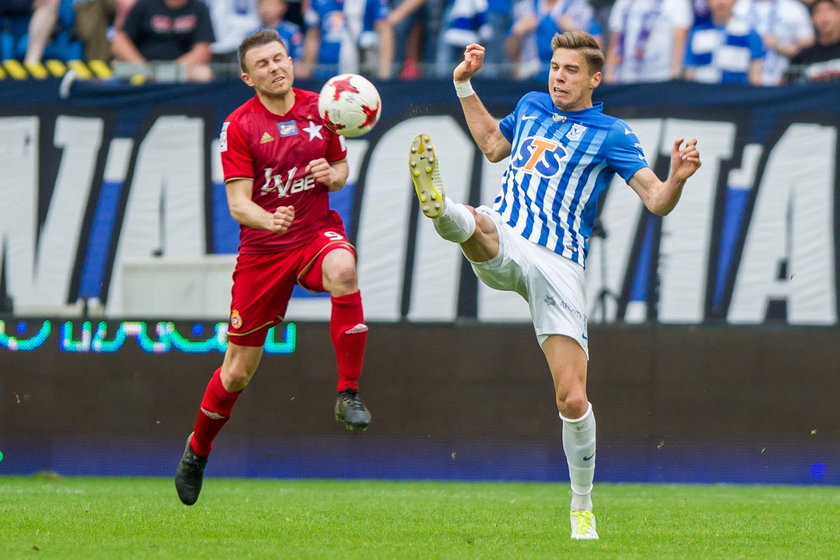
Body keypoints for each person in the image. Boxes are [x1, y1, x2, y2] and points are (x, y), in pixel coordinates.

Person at [408, 31, 701, 539]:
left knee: (571, 398)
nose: (559, 77)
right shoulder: (531, 105)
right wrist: (463, 86)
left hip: (561, 262)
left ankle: (582, 505)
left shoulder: (612, 133)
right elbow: (495, 145)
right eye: (555, 67)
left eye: (570, 70)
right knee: (478, 225)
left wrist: (675, 178)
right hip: (509, 232)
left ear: (594, 79)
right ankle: (443, 208)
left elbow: (655, 201)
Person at [175, 28, 373, 506]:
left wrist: (335, 175)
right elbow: (239, 205)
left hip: (314, 235)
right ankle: (197, 450)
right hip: (264, 252)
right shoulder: (240, 126)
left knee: (344, 270)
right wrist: (271, 219)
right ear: (248, 77)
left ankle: (348, 392)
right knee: (238, 372)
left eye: (280, 58)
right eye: (263, 64)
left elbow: (342, 169)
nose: (275, 68)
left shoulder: (323, 108)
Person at [111, 0, 215, 81]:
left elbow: (203, 51)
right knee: (116, 69)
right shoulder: (145, 4)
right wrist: (142, 67)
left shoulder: (199, 8)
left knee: (204, 74)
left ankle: (193, 107)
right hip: (143, 67)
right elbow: (120, 41)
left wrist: (169, 71)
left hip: (181, 69)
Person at [301, 0, 395, 79]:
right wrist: (307, 67)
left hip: (358, 71)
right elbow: (312, 35)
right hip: (324, 70)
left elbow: (384, 30)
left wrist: (384, 70)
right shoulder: (317, 1)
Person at [605, 0, 693, 83]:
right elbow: (614, 42)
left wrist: (675, 76)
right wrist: (609, 75)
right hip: (624, 79)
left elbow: (680, 40)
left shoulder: (676, 2)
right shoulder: (624, 2)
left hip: (660, 79)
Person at [733, 0, 814, 85]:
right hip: (741, 79)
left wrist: (780, 46)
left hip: (784, 78)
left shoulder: (794, 7)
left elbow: (809, 40)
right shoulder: (738, 6)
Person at [683, 0, 765, 84]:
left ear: (735, 1)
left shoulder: (749, 34)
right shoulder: (696, 34)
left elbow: (756, 77)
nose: (721, 2)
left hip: (736, 94)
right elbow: (689, 73)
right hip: (703, 93)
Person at [787, 0, 840, 82]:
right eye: (818, 12)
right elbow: (790, 88)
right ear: (812, 20)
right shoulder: (802, 58)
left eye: (829, 10)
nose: (824, 16)